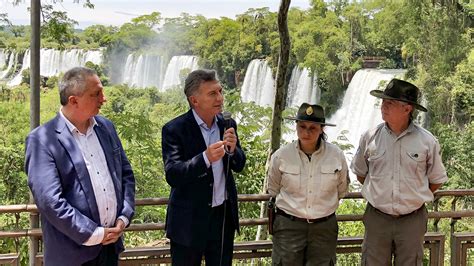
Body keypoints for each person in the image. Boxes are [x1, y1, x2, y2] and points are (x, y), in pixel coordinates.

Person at [25, 67, 136, 266]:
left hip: (110, 248)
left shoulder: (106, 127)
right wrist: (94, 234)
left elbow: (126, 174)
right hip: (72, 255)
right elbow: (50, 201)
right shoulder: (42, 140)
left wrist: (124, 216)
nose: (104, 99)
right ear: (73, 100)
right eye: (96, 94)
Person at [351, 78, 448, 265]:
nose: (383, 107)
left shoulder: (427, 141)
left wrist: (413, 196)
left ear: (407, 109)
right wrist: (382, 195)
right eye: (383, 102)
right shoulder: (370, 137)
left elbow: (436, 179)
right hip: (377, 219)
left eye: (390, 103)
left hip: (412, 221)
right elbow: (361, 174)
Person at [161, 69, 246, 266]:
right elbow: (173, 174)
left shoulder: (227, 123)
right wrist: (205, 158)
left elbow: (239, 165)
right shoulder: (175, 129)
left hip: (222, 219)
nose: (220, 98)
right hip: (188, 222)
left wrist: (233, 151)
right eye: (212, 94)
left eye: (220, 91)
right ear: (194, 100)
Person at [267, 103, 349, 266]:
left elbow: (342, 189)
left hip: (324, 228)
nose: (306, 132)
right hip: (288, 226)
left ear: (322, 129)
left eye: (313, 128)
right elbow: (273, 188)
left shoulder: (336, 156)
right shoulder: (282, 156)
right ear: (296, 126)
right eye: (302, 126)